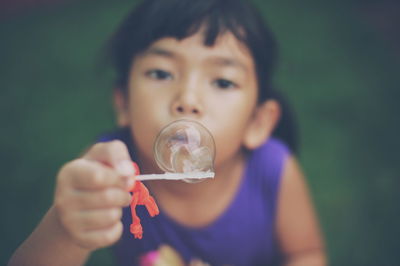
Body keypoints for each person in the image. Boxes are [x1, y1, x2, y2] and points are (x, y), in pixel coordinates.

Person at [8, 0, 326, 265]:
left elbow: (306, 254)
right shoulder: (111, 173)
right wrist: (65, 230)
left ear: (257, 123)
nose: (187, 99)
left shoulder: (273, 169)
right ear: (124, 105)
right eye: (161, 73)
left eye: (222, 81)